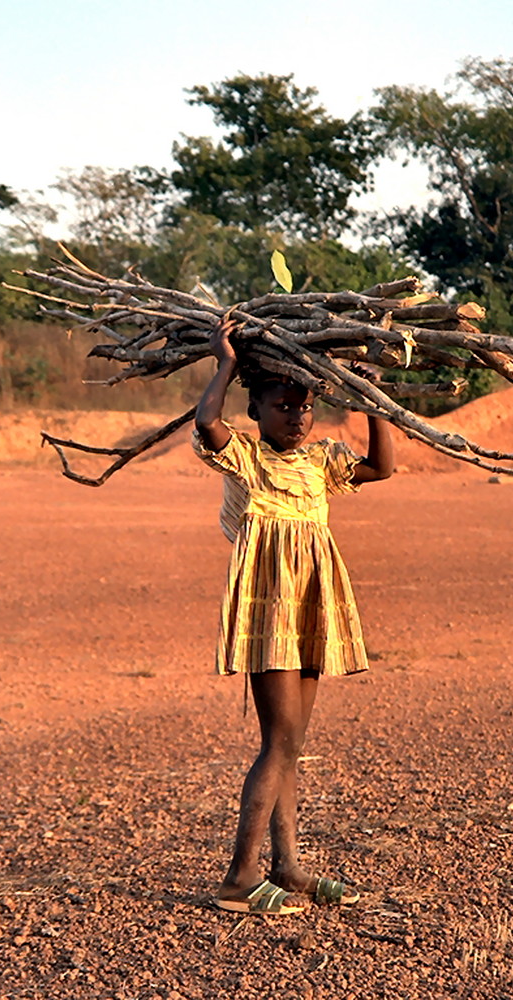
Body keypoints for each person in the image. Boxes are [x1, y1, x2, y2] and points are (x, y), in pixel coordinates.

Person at [193, 316, 393, 915]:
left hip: (310, 605)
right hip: (266, 613)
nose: (297, 418)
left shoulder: (321, 460)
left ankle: (287, 867)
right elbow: (206, 422)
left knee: (291, 743)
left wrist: (371, 399)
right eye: (282, 406)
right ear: (254, 409)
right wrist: (224, 364)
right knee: (280, 741)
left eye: (304, 408)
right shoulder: (246, 459)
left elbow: (382, 467)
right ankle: (239, 875)